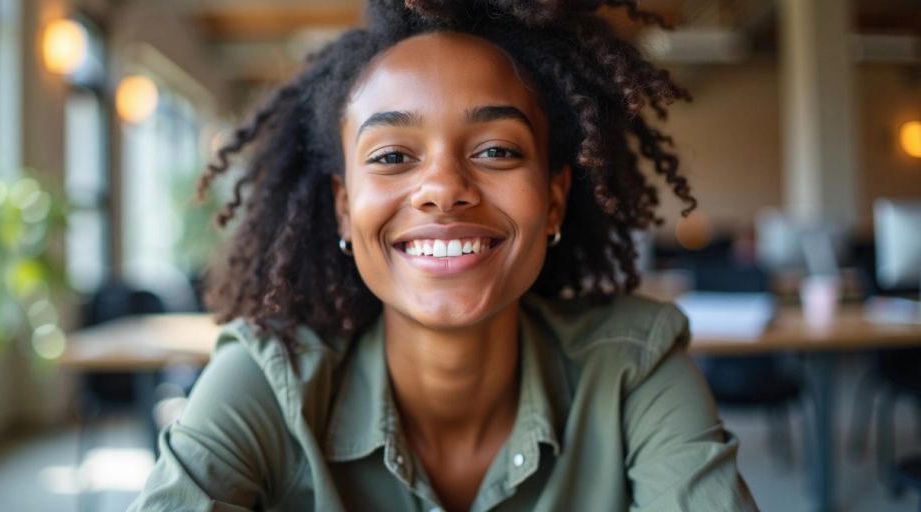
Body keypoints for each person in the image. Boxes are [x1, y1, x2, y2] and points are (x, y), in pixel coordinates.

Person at [129, 0, 758, 510]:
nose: (443, 188)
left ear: (555, 200)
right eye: (393, 156)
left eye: (496, 151)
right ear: (345, 207)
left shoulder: (634, 367)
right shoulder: (269, 380)